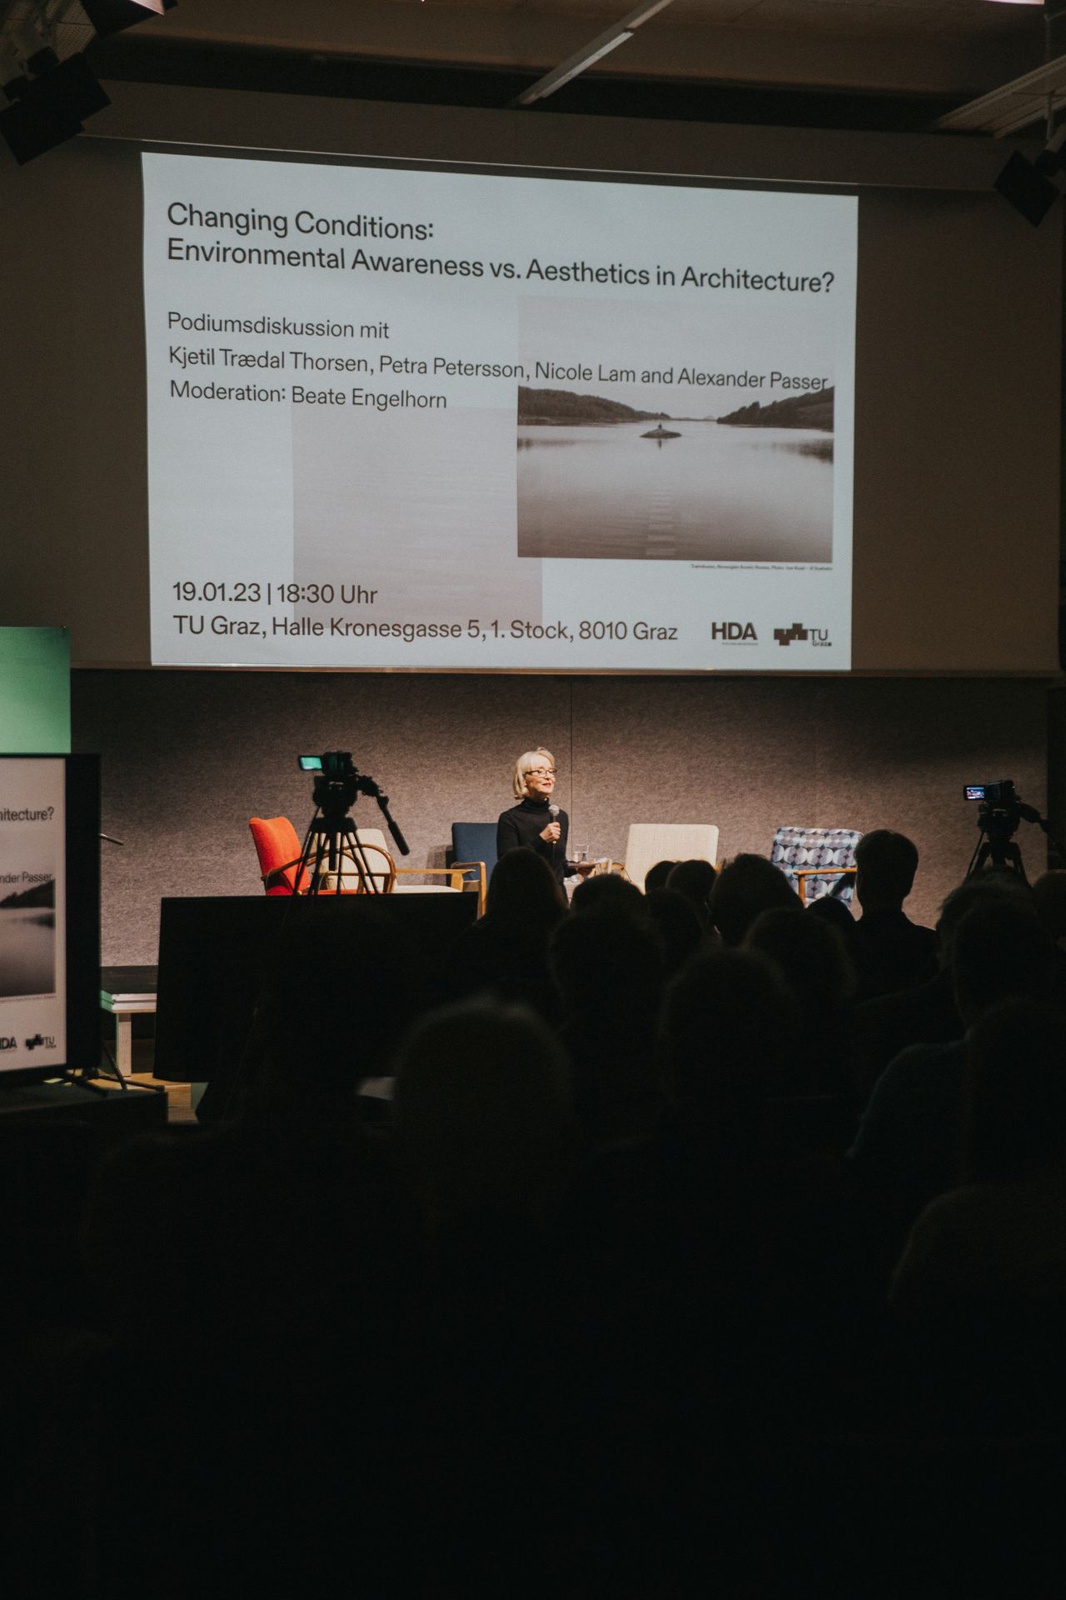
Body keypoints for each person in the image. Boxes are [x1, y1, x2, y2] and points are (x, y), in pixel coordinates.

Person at [497, 747, 586, 888]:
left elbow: (558, 866)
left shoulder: (559, 816)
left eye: (550, 771)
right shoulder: (510, 818)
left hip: (556, 895)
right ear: (524, 779)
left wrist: (577, 868)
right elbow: (507, 866)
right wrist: (541, 839)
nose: (548, 776)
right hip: (524, 894)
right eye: (540, 772)